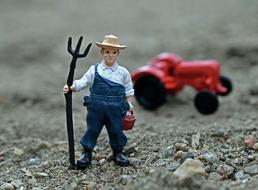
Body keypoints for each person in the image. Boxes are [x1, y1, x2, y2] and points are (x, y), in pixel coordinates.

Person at [63, 35, 134, 168]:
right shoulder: (95, 70)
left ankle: (118, 152)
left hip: (116, 108)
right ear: (102, 52)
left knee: (116, 130)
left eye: (113, 52)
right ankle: (87, 152)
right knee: (92, 129)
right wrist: (72, 87)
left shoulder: (123, 72)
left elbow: (129, 89)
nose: (110, 55)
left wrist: (129, 103)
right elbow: (84, 81)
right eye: (107, 51)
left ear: (118, 53)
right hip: (96, 108)